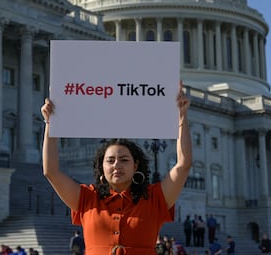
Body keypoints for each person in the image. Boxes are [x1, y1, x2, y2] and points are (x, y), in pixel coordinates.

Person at [41, 81, 192, 255]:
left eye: (124, 160)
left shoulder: (154, 198)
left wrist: (182, 118)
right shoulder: (87, 198)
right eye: (110, 160)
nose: (116, 165)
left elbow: (183, 165)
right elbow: (50, 171)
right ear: (102, 166)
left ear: (136, 166)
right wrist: (50, 124)